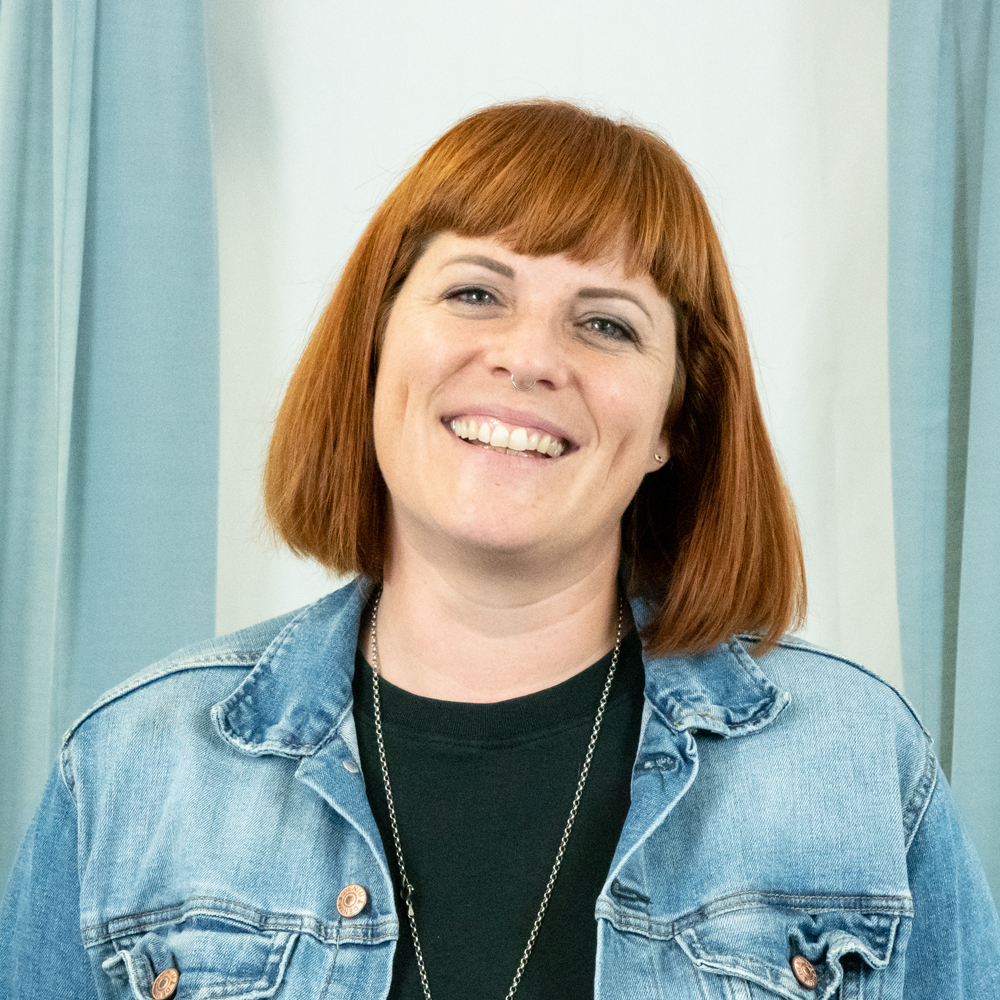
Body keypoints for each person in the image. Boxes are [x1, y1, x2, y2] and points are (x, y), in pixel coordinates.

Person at [2, 99, 998, 1000]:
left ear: (672, 422)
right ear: (376, 347)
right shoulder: (134, 766)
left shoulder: (855, 761)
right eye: (476, 294)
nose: (528, 357)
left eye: (605, 324)